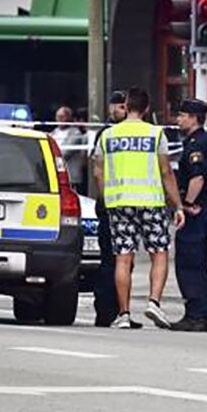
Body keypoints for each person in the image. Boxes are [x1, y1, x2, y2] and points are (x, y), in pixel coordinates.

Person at [93, 87, 185, 330]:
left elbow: (98, 171)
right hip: (150, 202)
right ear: (146, 109)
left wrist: (106, 197)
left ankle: (123, 313)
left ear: (127, 106)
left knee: (123, 258)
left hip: (119, 203)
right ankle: (154, 302)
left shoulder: (108, 135)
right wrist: (177, 205)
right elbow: (166, 172)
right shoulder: (155, 134)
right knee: (160, 253)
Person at [170, 99, 207, 332]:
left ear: (194, 118)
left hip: (195, 211)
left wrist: (188, 204)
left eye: (182, 115)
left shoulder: (195, 145)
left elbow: (197, 178)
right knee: (200, 262)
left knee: (188, 263)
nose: (178, 119)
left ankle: (195, 314)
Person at [90, 91, 129, 327]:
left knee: (123, 262)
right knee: (110, 262)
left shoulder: (126, 134)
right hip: (111, 205)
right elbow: (98, 170)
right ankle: (105, 311)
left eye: (124, 106)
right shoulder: (106, 134)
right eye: (117, 106)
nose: (120, 110)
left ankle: (120, 311)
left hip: (125, 205)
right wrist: (106, 199)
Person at [50, 105, 87, 193]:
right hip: (56, 176)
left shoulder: (75, 133)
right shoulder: (53, 133)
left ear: (68, 117)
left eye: (62, 117)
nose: (59, 119)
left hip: (71, 177)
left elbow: (64, 153)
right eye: (57, 117)